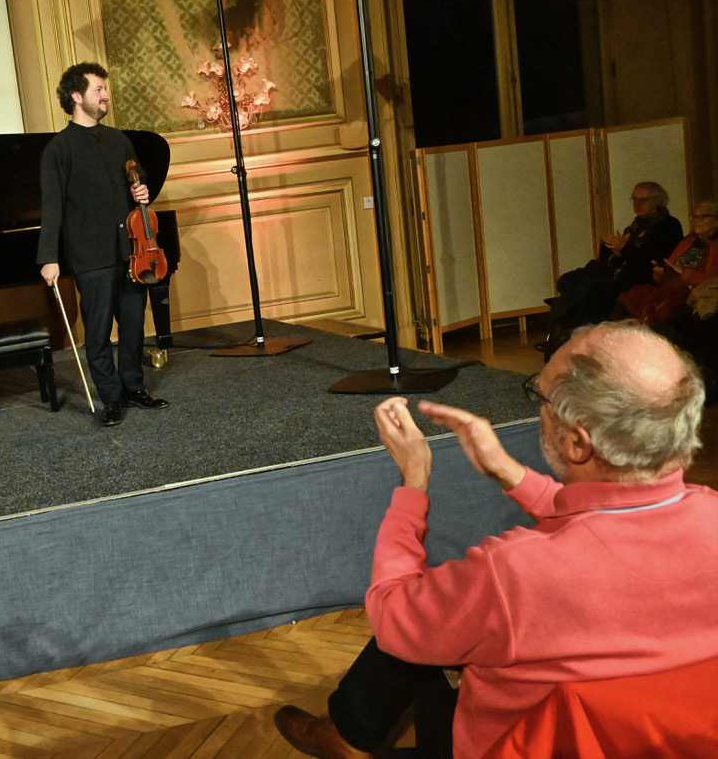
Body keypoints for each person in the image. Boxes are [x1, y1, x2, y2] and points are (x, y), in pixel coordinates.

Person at [275, 320, 718, 759]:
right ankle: (348, 731)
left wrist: (413, 481)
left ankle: (347, 733)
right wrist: (508, 471)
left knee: (432, 615)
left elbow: (393, 616)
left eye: (539, 396)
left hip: (516, 746)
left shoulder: (512, 572)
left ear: (577, 443)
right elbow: (611, 523)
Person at [37, 62, 169, 427]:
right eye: (98, 89)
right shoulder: (58, 149)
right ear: (77, 97)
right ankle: (111, 398)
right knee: (97, 332)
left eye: (104, 89)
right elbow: (52, 208)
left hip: (130, 250)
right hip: (91, 255)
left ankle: (134, 388)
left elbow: (138, 180)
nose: (105, 95)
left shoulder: (118, 140)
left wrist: (141, 191)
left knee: (132, 325)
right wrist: (48, 257)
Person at [542, 181, 681, 351]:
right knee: (567, 280)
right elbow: (613, 259)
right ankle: (568, 335)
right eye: (634, 199)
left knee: (588, 291)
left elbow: (650, 260)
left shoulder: (668, 225)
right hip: (615, 272)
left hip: (639, 278)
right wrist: (612, 249)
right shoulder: (637, 224)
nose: (637, 204)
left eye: (643, 200)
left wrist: (623, 248)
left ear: (658, 201)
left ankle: (573, 338)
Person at [616, 198, 718, 329]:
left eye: (703, 217)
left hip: (695, 292)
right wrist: (660, 275)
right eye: (694, 217)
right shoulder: (688, 241)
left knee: (664, 310)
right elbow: (668, 271)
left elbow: (712, 281)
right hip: (671, 288)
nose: (696, 221)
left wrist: (685, 274)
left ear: (716, 220)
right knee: (627, 302)